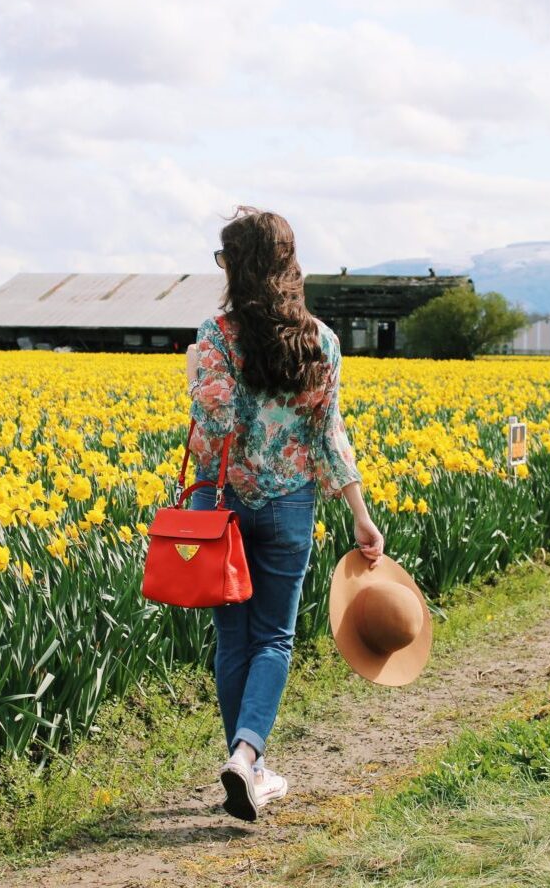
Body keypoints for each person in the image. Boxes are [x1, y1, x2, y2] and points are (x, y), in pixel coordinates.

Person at [185, 206, 384, 823]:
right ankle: (248, 761)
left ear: (238, 267)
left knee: (233, 638)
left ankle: (244, 765)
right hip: (290, 506)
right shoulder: (321, 340)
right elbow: (330, 436)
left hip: (222, 505)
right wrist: (359, 510)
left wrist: (195, 374)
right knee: (273, 636)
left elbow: (215, 424)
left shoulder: (217, 334)